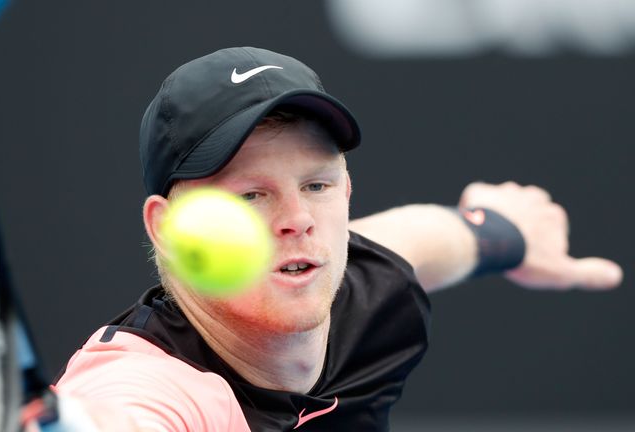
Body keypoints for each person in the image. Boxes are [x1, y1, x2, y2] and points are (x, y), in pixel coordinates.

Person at [52, 47, 622, 431]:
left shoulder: (362, 291)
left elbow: (425, 237)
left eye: (317, 183)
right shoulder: (149, 388)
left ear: (346, 193)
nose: (298, 219)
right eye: (252, 196)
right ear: (166, 229)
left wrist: (509, 232)